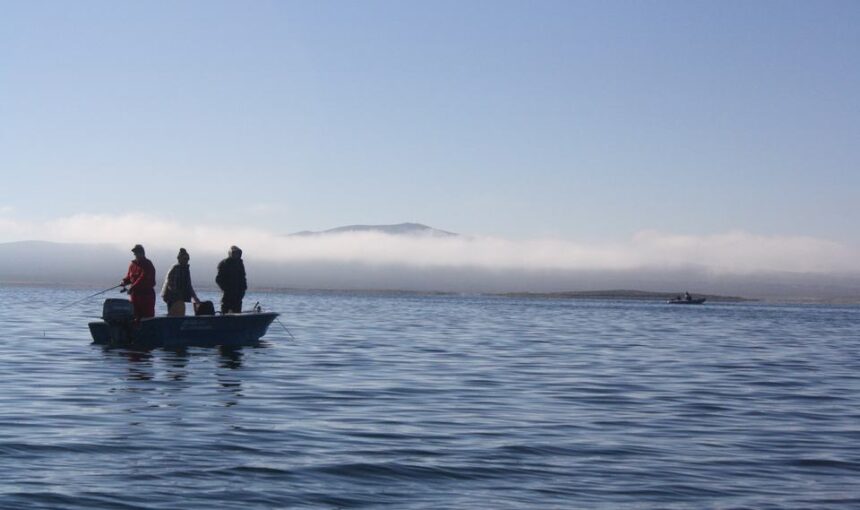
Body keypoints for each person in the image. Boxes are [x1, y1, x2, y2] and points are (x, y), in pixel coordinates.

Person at [121, 244, 156, 320]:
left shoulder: (148, 264)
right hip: (135, 295)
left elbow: (142, 278)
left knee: (147, 317)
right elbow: (129, 277)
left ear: (142, 253)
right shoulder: (132, 265)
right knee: (134, 316)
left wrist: (132, 287)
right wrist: (124, 282)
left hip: (146, 295)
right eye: (135, 253)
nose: (135, 254)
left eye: (137, 252)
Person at [161, 248, 199, 316]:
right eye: (184, 259)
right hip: (172, 298)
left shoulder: (186, 269)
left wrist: (195, 297)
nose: (186, 261)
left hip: (179, 299)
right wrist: (178, 296)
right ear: (179, 259)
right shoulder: (176, 268)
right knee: (173, 316)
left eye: (187, 259)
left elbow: (189, 285)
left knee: (179, 315)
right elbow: (171, 285)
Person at [216, 245, 247, 314]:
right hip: (227, 295)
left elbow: (243, 278)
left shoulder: (240, 264)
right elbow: (218, 279)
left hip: (238, 295)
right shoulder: (224, 263)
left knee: (237, 313)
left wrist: (243, 289)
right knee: (225, 312)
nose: (236, 255)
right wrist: (226, 289)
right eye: (234, 253)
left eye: (238, 253)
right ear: (231, 253)